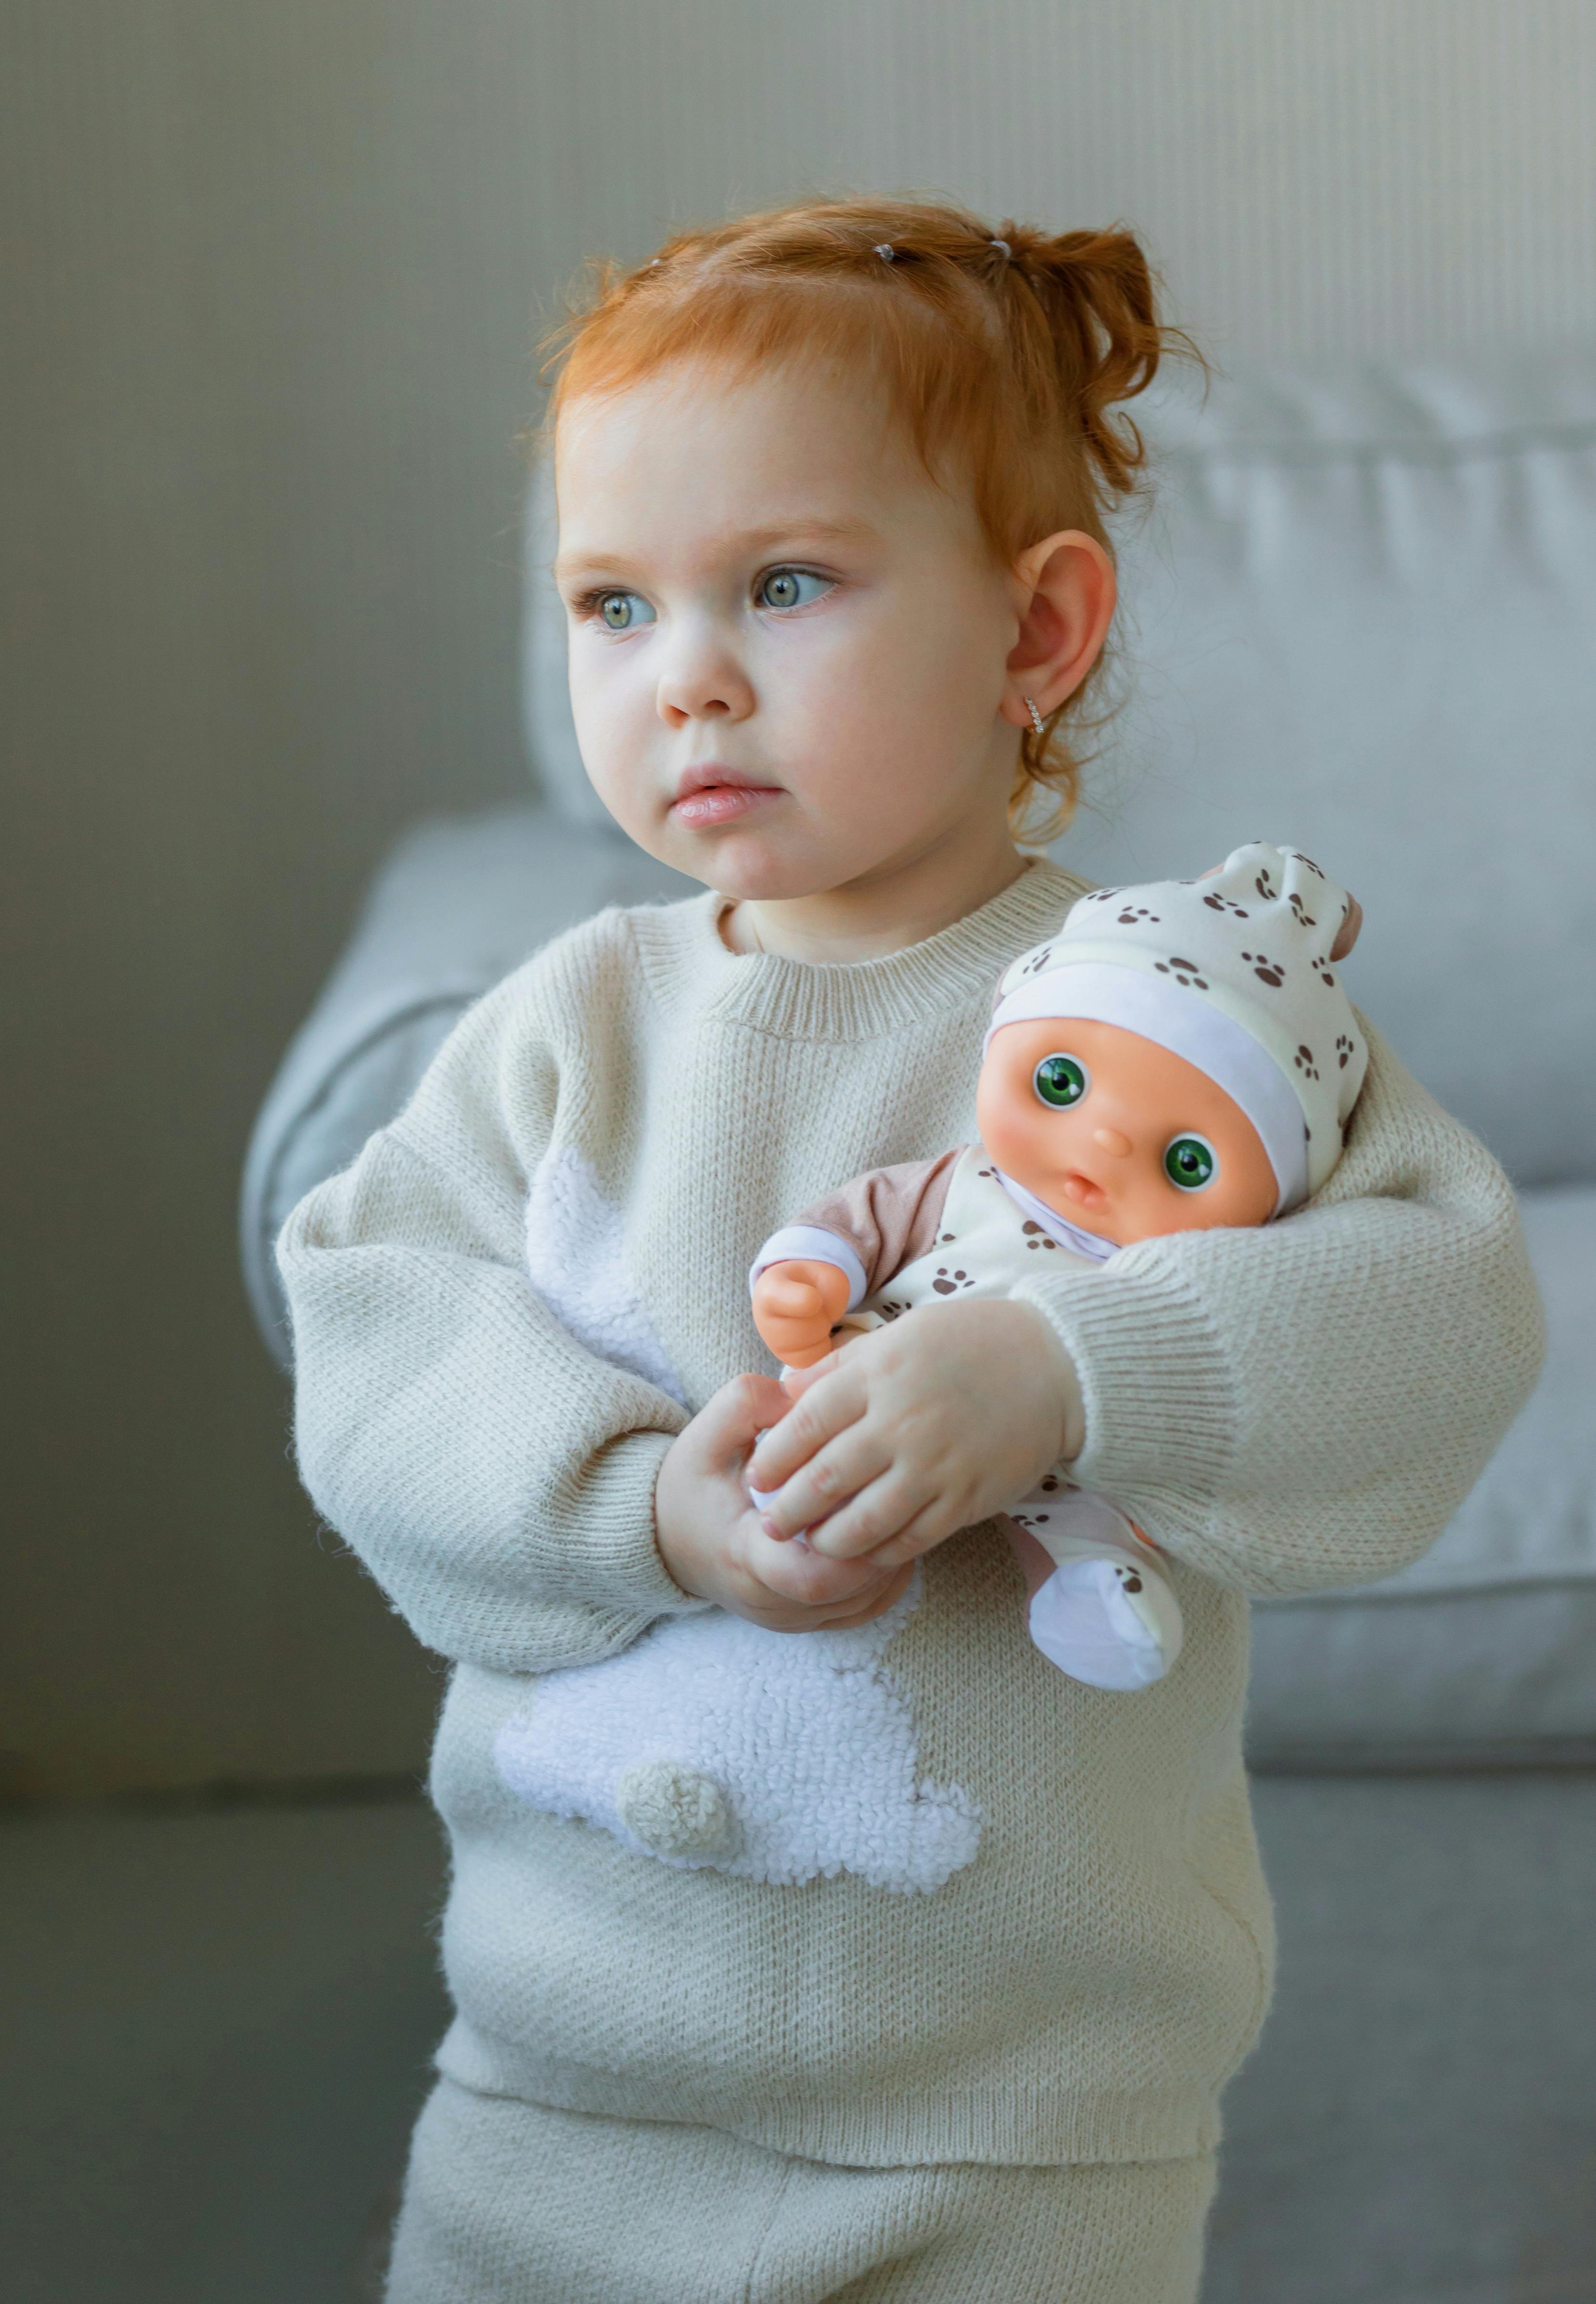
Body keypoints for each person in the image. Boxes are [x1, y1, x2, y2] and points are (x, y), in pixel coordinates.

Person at [276, 199, 1543, 2303]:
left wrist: (1074, 1368)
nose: (682, 675)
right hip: (556, 2098)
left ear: (1033, 635)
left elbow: (1441, 1300)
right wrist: (644, 1504)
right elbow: (380, 1336)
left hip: (1018, 2131)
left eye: (782, 584)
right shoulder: (561, 1030)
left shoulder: (1165, 1010)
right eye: (610, 604)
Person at [747, 842, 1369, 1692]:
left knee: (1089, 1515)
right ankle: (797, 1512)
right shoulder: (962, 1180)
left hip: (1078, 1443)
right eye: (1061, 1082)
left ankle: (1082, 1582)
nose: (1105, 1142)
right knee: (821, 1422)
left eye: (1186, 1162)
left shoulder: (1178, 1282)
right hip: (878, 1360)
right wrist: (808, 1273)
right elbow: (864, 1219)